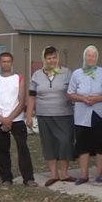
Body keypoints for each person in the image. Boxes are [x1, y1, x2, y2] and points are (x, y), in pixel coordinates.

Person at [26, 46, 75, 186]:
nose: (52, 60)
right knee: (49, 143)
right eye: (49, 58)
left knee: (65, 142)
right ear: (44, 59)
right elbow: (31, 97)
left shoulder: (67, 73)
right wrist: (29, 116)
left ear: (57, 58)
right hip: (44, 115)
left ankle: (64, 174)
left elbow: (73, 92)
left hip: (64, 114)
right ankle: (54, 174)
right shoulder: (37, 75)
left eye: (54, 57)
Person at [67, 45, 102, 185]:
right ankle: (83, 175)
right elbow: (70, 93)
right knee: (83, 145)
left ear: (96, 58)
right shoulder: (77, 73)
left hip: (100, 113)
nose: (91, 58)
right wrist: (82, 99)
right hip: (82, 115)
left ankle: (100, 174)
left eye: (93, 56)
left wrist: (99, 98)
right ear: (84, 57)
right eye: (88, 56)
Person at [0, 52, 36, 188]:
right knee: (1, 151)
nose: (6, 64)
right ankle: (6, 179)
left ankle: (28, 178)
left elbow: (22, 101)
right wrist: (2, 119)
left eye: (8, 61)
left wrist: (9, 119)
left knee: (23, 149)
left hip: (17, 119)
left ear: (12, 62)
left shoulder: (19, 78)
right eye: (3, 61)